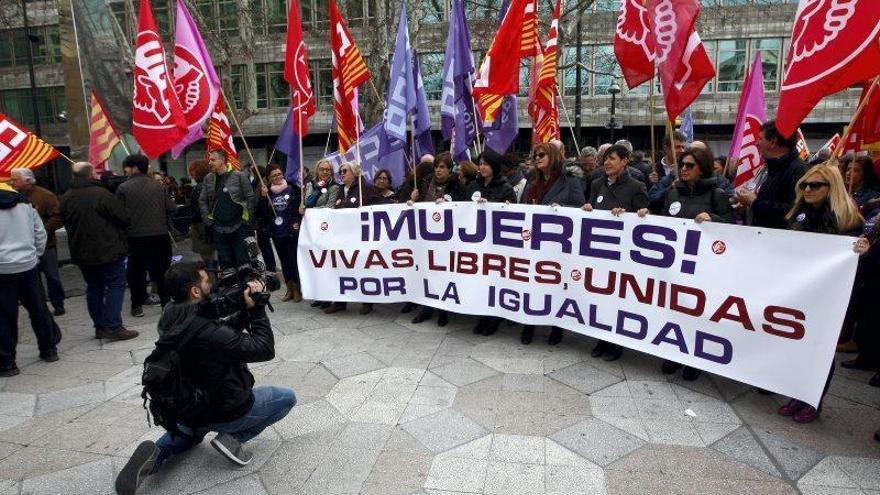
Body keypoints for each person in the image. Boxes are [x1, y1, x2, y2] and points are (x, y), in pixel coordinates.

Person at [114, 262, 295, 495]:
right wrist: (257, 309)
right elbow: (263, 348)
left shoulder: (171, 314)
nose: (212, 285)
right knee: (287, 398)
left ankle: (155, 454)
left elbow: (217, 332)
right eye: (206, 281)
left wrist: (241, 309)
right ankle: (232, 437)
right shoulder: (208, 333)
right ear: (195, 291)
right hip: (224, 408)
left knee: (188, 434)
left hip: (188, 407)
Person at [777, 163, 863, 424]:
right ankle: (796, 393)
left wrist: (861, 247)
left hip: (829, 295)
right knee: (797, 344)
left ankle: (813, 399)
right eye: (804, 185)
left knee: (820, 348)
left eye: (815, 185)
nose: (808, 189)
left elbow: (853, 260)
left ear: (831, 187)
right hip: (799, 291)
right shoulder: (798, 216)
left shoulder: (848, 220)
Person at [637, 147, 733, 380]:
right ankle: (674, 353)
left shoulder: (716, 194)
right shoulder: (674, 193)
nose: (684, 169)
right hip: (675, 266)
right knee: (676, 310)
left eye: (690, 165)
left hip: (703, 267)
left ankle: (695, 360)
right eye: (682, 165)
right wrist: (646, 213)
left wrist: (715, 219)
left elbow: (732, 228)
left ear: (703, 168)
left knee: (697, 312)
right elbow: (663, 219)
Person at [582, 144, 649, 361]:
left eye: (612, 158)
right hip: (599, 254)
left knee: (618, 300)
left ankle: (616, 344)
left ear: (625, 161)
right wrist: (588, 209)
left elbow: (645, 220)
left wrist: (630, 214)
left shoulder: (636, 186)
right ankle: (601, 339)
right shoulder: (596, 184)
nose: (607, 163)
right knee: (600, 298)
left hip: (623, 257)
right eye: (606, 159)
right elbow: (589, 207)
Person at [60, 162, 138, 341]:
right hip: (107, 248)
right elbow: (123, 218)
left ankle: (100, 326)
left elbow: (64, 220)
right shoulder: (101, 194)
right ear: (91, 175)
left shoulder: (66, 197)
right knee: (115, 285)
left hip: (82, 250)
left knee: (94, 287)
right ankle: (113, 326)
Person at [519, 142, 585, 346]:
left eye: (541, 154)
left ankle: (557, 327)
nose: (537, 157)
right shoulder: (531, 180)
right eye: (535, 154)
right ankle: (528, 323)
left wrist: (562, 209)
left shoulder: (570, 181)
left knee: (556, 285)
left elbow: (580, 208)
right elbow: (523, 208)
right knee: (531, 284)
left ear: (554, 156)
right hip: (534, 244)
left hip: (558, 246)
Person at [0, 182, 60, 376]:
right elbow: (40, 233)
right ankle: (49, 349)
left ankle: (8, 362)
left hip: (3, 268)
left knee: (5, 316)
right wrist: (35, 255)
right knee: (38, 308)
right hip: (27, 264)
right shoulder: (26, 205)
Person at [409, 152, 466, 326]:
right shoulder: (425, 183)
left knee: (444, 274)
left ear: (450, 169)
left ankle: (443, 309)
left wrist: (450, 205)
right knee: (426, 272)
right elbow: (419, 207)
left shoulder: (457, 186)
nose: (438, 170)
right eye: (436, 167)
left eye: (442, 167)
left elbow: (464, 208)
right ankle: (426, 307)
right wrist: (412, 201)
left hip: (448, 240)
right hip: (426, 238)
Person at [116, 155, 177, 317]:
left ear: (135, 168)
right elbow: (171, 208)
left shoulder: (123, 188)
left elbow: (118, 215)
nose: (125, 171)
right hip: (160, 234)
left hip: (136, 236)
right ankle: (165, 303)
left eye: (126, 168)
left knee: (136, 272)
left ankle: (137, 306)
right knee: (162, 271)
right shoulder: (158, 186)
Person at [323, 162, 386, 315]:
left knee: (363, 268)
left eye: (345, 171)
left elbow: (382, 206)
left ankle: (367, 301)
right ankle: (339, 302)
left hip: (361, 237)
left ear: (355, 173)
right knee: (341, 267)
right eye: (340, 171)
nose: (341, 174)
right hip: (342, 238)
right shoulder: (339, 190)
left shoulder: (367, 188)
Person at [467, 149, 516, 336]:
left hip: (496, 244)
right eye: (480, 164)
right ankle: (482, 314)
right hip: (477, 242)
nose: (482, 167)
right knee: (481, 279)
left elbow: (511, 212)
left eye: (486, 164)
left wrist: (492, 206)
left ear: (494, 166)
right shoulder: (473, 185)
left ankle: (494, 318)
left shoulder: (505, 187)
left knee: (494, 279)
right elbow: (461, 206)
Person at [9, 168, 66, 316]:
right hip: (24, 247)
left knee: (52, 276)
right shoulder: (11, 197)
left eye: (15, 179)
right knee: (33, 280)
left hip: (47, 245)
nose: (12, 182)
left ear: (27, 180)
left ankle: (58, 303)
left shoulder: (45, 196)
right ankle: (38, 307)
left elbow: (58, 217)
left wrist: (42, 230)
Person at [735, 120, 809, 229]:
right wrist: (747, 206)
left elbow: (794, 209)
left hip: (779, 239)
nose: (756, 143)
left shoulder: (798, 170)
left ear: (773, 142)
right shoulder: (768, 168)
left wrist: (754, 202)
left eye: (760, 138)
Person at [199, 150, 256, 269]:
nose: (209, 163)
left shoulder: (239, 176)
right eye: (209, 160)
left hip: (239, 226)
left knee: (243, 262)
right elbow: (202, 200)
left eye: (213, 160)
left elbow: (250, 198)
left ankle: (244, 286)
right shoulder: (208, 178)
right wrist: (208, 221)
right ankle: (230, 286)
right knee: (225, 264)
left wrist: (247, 221)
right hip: (218, 228)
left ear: (223, 160)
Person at [263, 165, 303, 303]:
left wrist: (297, 219)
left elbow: (299, 208)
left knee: (293, 261)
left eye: (279, 174)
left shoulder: (292, 189)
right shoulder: (267, 192)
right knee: (284, 262)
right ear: (269, 178)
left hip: (290, 230)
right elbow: (260, 212)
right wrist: (262, 198)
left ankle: (298, 289)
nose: (278, 177)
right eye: (274, 175)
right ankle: (289, 289)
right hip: (276, 232)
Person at [304, 160, 339, 309]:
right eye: (322, 169)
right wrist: (308, 208)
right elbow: (306, 202)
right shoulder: (311, 185)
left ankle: (328, 296)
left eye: (328, 170)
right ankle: (318, 294)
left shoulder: (334, 187)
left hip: (326, 229)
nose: (325, 172)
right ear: (317, 171)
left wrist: (311, 211)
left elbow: (330, 206)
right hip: (312, 229)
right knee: (315, 262)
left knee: (326, 263)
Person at [187, 160, 217, 265]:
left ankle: (214, 280)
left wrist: (191, 218)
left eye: (193, 172)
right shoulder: (212, 183)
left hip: (202, 227)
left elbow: (198, 210)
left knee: (208, 259)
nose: (191, 175)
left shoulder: (200, 187)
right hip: (211, 225)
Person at [648, 131, 687, 211]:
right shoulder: (652, 169)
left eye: (683, 147)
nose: (682, 150)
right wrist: (651, 183)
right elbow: (649, 198)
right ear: (666, 148)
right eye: (677, 147)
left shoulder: (686, 168)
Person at [250, 165, 278, 274]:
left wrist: (262, 196)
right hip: (262, 221)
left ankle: (271, 267)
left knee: (266, 246)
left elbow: (260, 204)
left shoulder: (262, 184)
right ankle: (271, 266)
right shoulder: (257, 183)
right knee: (265, 246)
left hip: (265, 221)